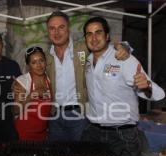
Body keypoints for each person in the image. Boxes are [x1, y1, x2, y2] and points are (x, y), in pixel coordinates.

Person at [81, 16, 165, 156]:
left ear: (107, 36)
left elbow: (156, 93)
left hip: (122, 134)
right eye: (89, 34)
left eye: (98, 32)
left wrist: (147, 87)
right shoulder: (88, 61)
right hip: (94, 131)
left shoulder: (124, 58)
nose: (93, 38)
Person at [44, 11, 130, 141]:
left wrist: (123, 47)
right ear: (48, 32)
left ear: (68, 29)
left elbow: (107, 45)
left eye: (61, 27)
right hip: (54, 117)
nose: (57, 32)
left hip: (80, 114)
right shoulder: (45, 57)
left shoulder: (83, 47)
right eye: (52, 28)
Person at [13, 46, 52, 141]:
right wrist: (31, 96)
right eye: (34, 62)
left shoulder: (50, 79)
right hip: (24, 133)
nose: (39, 65)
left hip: (43, 133)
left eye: (41, 60)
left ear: (46, 61)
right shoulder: (23, 81)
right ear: (28, 66)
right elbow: (15, 110)